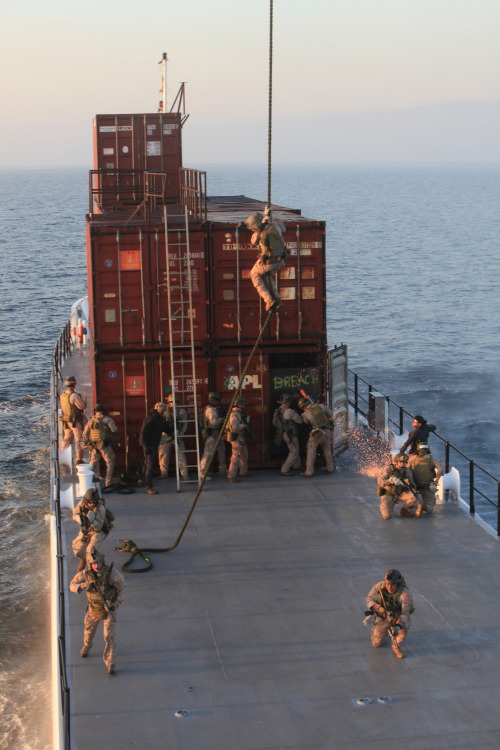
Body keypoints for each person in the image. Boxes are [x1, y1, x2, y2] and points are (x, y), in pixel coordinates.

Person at [70, 548, 125, 675]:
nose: (96, 566)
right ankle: (87, 645)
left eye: (98, 563)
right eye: (93, 563)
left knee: (109, 636)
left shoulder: (112, 574)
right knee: (88, 630)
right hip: (93, 608)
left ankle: (110, 662)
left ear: (102, 562)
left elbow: (122, 589)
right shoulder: (85, 574)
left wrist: (115, 604)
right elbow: (72, 585)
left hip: (109, 608)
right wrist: (83, 586)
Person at [365, 569, 414, 659]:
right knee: (377, 643)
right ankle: (384, 631)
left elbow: (405, 615)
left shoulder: (405, 595)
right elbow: (369, 599)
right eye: (387, 584)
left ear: (398, 584)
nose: (389, 588)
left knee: (401, 633)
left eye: (392, 585)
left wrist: (398, 626)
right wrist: (379, 608)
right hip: (383, 616)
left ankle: (396, 646)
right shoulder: (379, 587)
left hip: (398, 617)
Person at [246, 211, 289, 312]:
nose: (252, 230)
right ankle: (277, 299)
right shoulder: (275, 225)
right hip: (281, 260)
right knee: (266, 275)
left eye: (253, 228)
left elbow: (253, 241)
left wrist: (258, 230)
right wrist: (270, 215)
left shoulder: (259, 234)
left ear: (256, 226)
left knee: (254, 274)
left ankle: (268, 300)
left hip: (270, 262)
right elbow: (283, 226)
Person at [72, 488, 110, 571]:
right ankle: (84, 560)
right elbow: (75, 514)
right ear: (86, 501)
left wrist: (93, 520)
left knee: (90, 552)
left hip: (98, 532)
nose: (91, 504)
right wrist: (79, 519)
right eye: (89, 502)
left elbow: (99, 527)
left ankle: (92, 570)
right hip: (87, 529)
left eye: (94, 502)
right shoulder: (82, 504)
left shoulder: (100, 509)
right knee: (78, 549)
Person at [82, 403, 119, 487]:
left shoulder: (91, 420)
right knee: (110, 461)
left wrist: (86, 442)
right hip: (104, 445)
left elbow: (85, 433)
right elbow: (114, 430)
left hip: (94, 445)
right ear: (103, 411)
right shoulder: (106, 419)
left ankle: (89, 479)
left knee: (93, 462)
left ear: (95, 411)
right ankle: (108, 482)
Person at [139, 402, 171, 494]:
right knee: (149, 465)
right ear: (158, 409)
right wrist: (145, 446)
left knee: (146, 463)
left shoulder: (160, 420)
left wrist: (172, 429)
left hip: (152, 445)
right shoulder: (152, 419)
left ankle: (141, 480)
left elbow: (166, 429)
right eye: (162, 409)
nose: (164, 410)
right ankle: (148, 487)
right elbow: (143, 433)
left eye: (164, 409)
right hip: (150, 445)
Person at [377, 453, 422, 519]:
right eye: (401, 462)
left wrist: (412, 488)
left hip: (400, 493)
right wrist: (390, 480)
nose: (402, 464)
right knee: (386, 516)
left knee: (413, 497)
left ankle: (404, 510)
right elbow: (380, 482)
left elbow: (412, 483)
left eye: (404, 462)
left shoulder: (407, 471)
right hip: (389, 494)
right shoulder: (388, 469)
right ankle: (384, 505)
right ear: (396, 462)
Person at [297, 397, 334, 477]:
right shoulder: (321, 406)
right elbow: (331, 414)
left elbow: (306, 422)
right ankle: (330, 468)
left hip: (316, 433)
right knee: (327, 450)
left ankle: (309, 472)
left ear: (303, 407)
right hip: (327, 431)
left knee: (311, 452)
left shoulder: (306, 413)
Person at [159, 394, 190, 481]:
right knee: (163, 455)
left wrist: (181, 434)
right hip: (165, 436)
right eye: (171, 402)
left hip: (178, 435)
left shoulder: (182, 412)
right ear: (168, 402)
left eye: (175, 402)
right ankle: (163, 473)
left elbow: (185, 424)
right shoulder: (164, 411)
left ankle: (185, 474)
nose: (173, 403)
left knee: (181, 455)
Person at [407, 443, 444, 514]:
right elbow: (441, 470)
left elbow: (406, 470)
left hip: (414, 486)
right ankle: (423, 506)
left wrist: (408, 482)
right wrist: (436, 482)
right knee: (429, 508)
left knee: (409, 501)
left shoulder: (412, 459)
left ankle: (407, 507)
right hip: (426, 486)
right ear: (427, 451)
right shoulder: (433, 459)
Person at [272, 394, 303, 476]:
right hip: (290, 434)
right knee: (294, 451)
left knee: (296, 449)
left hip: (283, 433)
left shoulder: (278, 411)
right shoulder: (289, 411)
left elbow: (274, 423)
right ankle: (285, 469)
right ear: (287, 402)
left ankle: (297, 465)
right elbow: (300, 421)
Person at [199, 391, 228, 480]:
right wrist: (224, 419)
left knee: (221, 451)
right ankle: (202, 472)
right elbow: (213, 422)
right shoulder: (210, 409)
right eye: (218, 400)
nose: (219, 401)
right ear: (213, 400)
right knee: (208, 453)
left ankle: (223, 469)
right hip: (212, 434)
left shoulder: (217, 408)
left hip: (218, 433)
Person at [60, 375, 87, 465]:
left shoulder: (63, 395)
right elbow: (82, 407)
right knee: (78, 440)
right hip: (75, 422)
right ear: (74, 385)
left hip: (66, 421)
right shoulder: (74, 395)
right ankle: (79, 459)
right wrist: (85, 400)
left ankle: (63, 456)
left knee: (67, 439)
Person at [226, 396, 250, 483]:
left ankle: (243, 471)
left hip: (241, 437)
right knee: (236, 456)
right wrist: (243, 425)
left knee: (244, 454)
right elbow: (234, 428)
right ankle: (231, 475)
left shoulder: (239, 413)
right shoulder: (234, 414)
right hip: (236, 437)